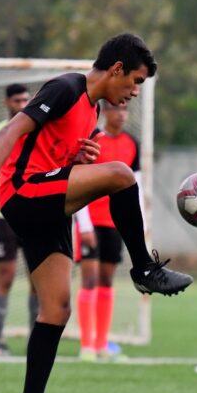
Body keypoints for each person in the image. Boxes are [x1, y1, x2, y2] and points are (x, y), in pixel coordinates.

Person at [0, 33, 193, 393]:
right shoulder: (66, 88)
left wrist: (74, 159)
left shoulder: (93, 109)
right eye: (134, 81)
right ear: (116, 69)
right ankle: (144, 269)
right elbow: (12, 131)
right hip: (24, 193)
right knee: (119, 174)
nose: (134, 92)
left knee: (57, 310)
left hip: (48, 204)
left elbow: (49, 150)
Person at [73, 100, 141, 361]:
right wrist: (84, 224)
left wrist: (138, 223)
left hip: (115, 222)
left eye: (125, 109)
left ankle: (102, 345)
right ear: (106, 111)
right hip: (90, 221)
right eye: (117, 109)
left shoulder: (132, 144)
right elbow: (79, 182)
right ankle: (86, 345)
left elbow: (137, 186)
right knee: (89, 279)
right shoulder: (92, 140)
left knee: (106, 280)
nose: (122, 114)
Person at [0, 84, 40, 356]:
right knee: (5, 276)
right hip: (4, 217)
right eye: (17, 99)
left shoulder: (37, 130)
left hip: (32, 213)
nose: (22, 103)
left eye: (26, 99)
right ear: (6, 102)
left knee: (37, 279)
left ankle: (34, 339)